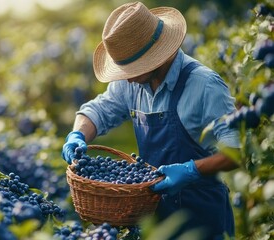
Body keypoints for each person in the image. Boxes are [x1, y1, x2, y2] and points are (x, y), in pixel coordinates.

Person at [61, 2, 240, 240]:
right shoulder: (130, 83)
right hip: (154, 217)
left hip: (203, 218)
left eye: (134, 69)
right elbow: (99, 110)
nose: (128, 78)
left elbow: (236, 150)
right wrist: (78, 135)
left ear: (156, 55)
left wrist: (191, 170)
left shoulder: (204, 85)